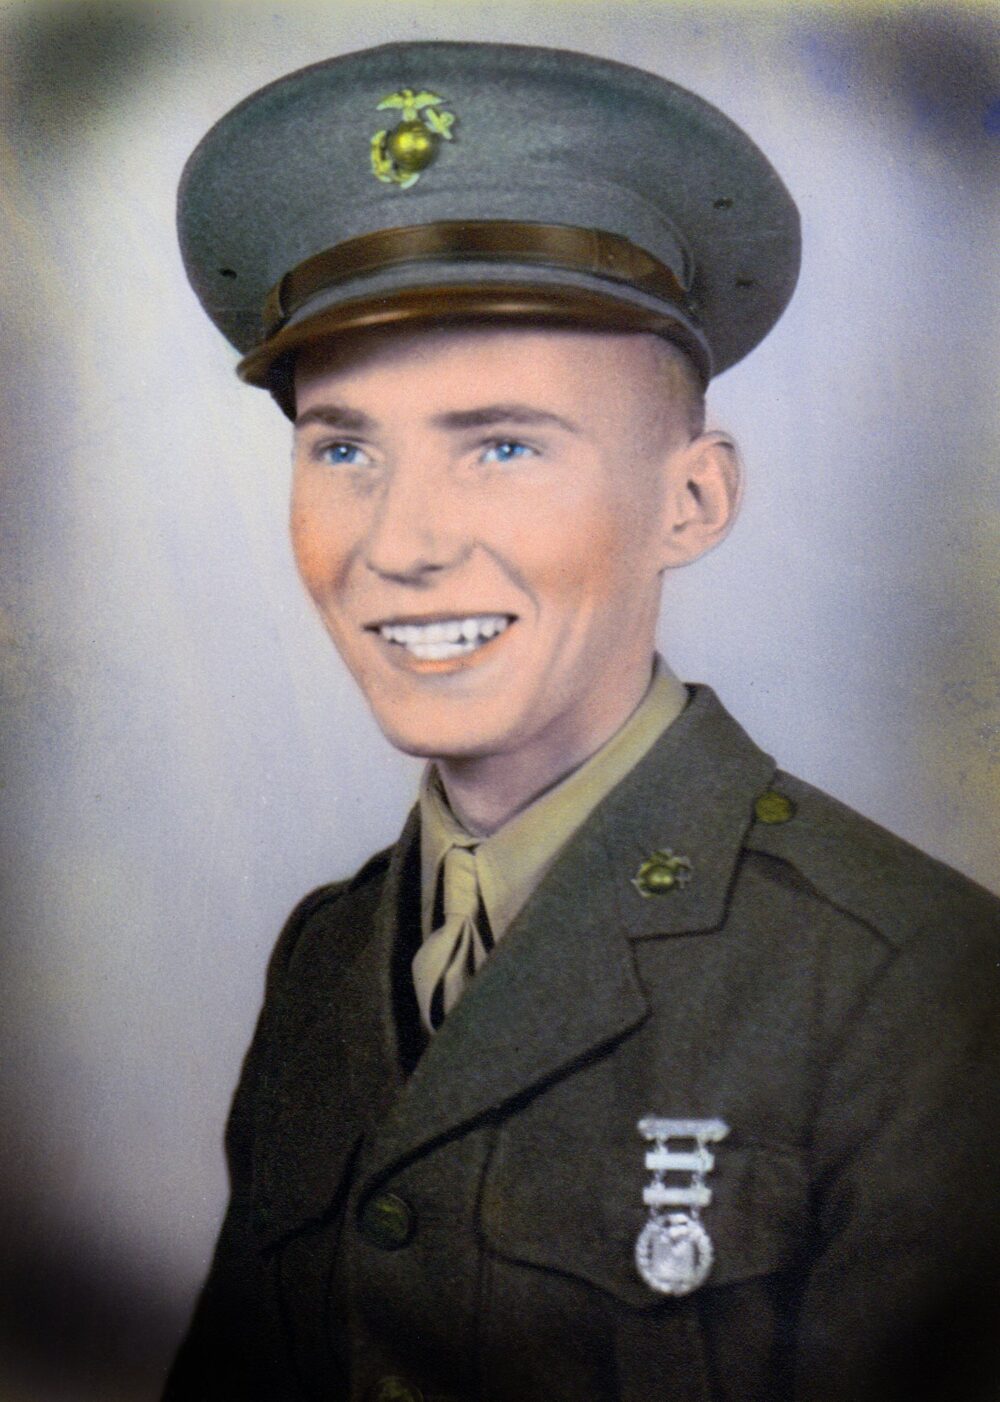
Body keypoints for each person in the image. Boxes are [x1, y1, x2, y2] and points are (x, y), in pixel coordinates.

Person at [164, 40, 1000, 1402]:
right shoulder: (328, 958)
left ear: (692, 503)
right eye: (345, 447)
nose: (401, 544)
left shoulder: (919, 992)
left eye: (503, 444)